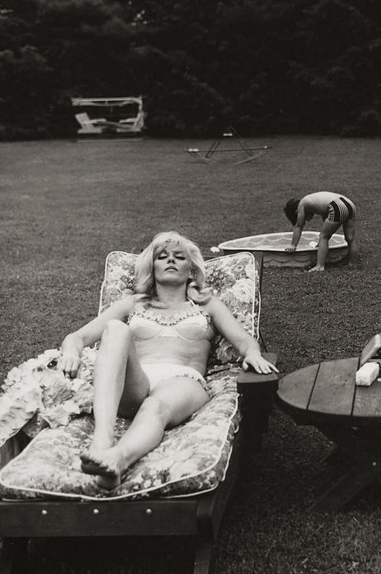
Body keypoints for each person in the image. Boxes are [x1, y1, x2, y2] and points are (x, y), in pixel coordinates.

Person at [58, 231, 276, 490]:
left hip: (182, 381)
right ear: (152, 267)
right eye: (162, 257)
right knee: (116, 329)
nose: (170, 261)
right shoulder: (133, 304)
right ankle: (101, 443)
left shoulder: (207, 305)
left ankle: (116, 461)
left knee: (155, 406)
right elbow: (77, 337)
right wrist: (72, 352)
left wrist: (252, 353)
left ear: (191, 270)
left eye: (179, 257)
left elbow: (243, 340)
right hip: (136, 381)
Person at [283, 191, 359, 271]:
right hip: (349, 204)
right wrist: (320, 245)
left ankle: (319, 266)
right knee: (350, 238)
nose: (307, 220)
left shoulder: (302, 205)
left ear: (296, 212)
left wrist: (293, 245)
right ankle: (353, 264)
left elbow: (298, 226)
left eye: (305, 219)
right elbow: (326, 219)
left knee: (323, 237)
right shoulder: (314, 202)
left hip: (337, 206)